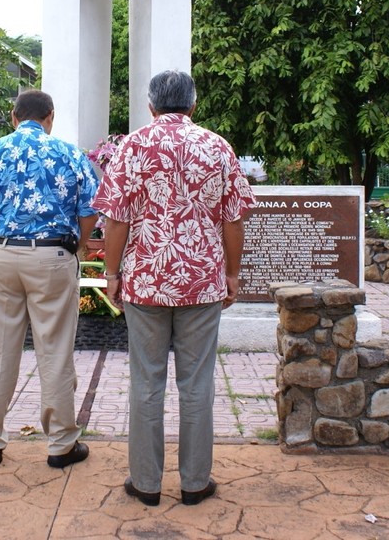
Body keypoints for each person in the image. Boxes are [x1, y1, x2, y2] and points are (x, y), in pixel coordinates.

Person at [92, 70, 255, 506]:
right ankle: (195, 483)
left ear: (150, 106)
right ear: (193, 105)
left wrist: (111, 275)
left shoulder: (132, 146)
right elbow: (233, 219)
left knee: (146, 382)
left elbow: (117, 219)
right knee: (197, 383)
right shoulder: (217, 147)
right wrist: (232, 276)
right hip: (202, 282)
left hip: (146, 281)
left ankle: (145, 484)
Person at [0, 89, 99, 468]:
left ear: (13, 116)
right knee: (54, 350)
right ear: (50, 117)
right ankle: (61, 444)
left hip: (1, 253)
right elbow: (91, 209)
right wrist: (79, 246)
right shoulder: (70, 154)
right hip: (53, 254)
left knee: (0, 350)